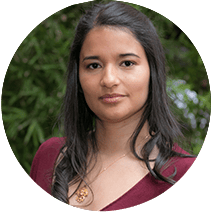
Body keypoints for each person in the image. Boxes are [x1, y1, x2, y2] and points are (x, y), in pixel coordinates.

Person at [30, 1, 196, 211]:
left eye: (127, 63)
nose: (108, 80)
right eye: (94, 65)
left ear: (152, 72)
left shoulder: (186, 175)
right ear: (78, 78)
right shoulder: (49, 155)